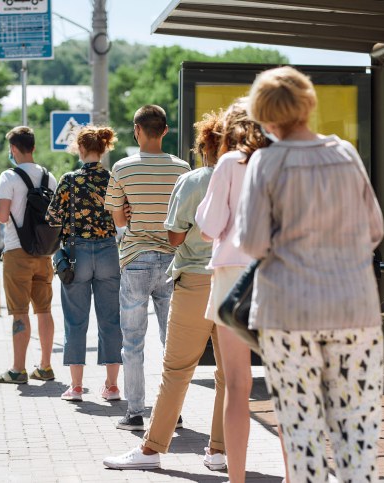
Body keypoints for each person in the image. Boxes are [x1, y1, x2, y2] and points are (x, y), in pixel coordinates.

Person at [236, 66, 384, 482]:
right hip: (354, 308)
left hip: (287, 314)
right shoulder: (345, 153)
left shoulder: (265, 162)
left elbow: (252, 243)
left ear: (263, 114)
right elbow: (374, 230)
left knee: (302, 436)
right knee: (357, 432)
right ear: (308, 103)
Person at [103, 111, 227, 470]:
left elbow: (164, 231)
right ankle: (217, 451)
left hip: (182, 273)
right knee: (226, 372)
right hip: (235, 281)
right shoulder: (245, 180)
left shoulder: (189, 179)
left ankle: (149, 443)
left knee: (168, 361)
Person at [194, 98, 271, 483]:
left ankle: (237, 479)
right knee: (287, 385)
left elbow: (209, 226)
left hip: (232, 275)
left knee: (237, 384)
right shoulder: (288, 160)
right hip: (281, 273)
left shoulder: (230, 163)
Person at [105, 105, 191, 430]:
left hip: (135, 259)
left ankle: (135, 412)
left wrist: (128, 224)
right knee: (172, 341)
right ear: (166, 130)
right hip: (172, 260)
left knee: (133, 341)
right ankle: (173, 412)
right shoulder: (182, 169)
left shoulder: (123, 168)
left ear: (137, 130)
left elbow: (116, 214)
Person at [45, 126, 123, 401]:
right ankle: (112, 386)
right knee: (111, 321)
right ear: (102, 149)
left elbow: (53, 216)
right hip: (108, 252)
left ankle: (76, 387)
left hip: (77, 253)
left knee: (76, 321)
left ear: (80, 149)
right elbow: (122, 214)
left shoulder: (69, 180)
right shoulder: (112, 178)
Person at [0, 126, 57, 384]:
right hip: (44, 252)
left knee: (20, 312)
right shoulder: (49, 177)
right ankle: (45, 367)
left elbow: (3, 215)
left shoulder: (8, 177)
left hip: (17, 252)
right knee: (44, 310)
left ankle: (18, 370)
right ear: (34, 148)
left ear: (15, 149)